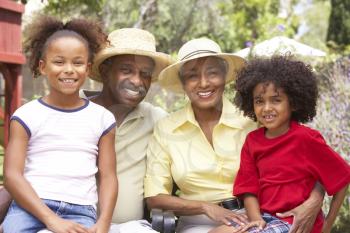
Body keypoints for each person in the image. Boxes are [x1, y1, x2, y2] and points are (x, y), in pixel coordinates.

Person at [144, 38, 326, 233]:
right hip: (196, 225)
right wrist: (205, 207)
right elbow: (155, 198)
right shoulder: (166, 129)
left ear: (224, 76)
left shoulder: (254, 119)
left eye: (212, 73)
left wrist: (314, 201)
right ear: (183, 83)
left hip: (257, 216)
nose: (204, 83)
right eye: (192, 76)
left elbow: (317, 163)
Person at [2, 15, 118, 233]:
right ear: (43, 67)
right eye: (59, 62)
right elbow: (11, 176)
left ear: (88, 67)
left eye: (77, 62)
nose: (69, 69)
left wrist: (103, 223)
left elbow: (108, 176)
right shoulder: (26, 115)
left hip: (81, 211)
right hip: (30, 208)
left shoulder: (102, 119)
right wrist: (51, 219)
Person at [210, 55, 350, 233]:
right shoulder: (253, 141)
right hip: (265, 218)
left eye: (276, 100)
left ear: (293, 103)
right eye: (259, 101)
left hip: (294, 221)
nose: (267, 108)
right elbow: (248, 189)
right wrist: (257, 221)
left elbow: (343, 177)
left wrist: (327, 225)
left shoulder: (306, 139)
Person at [82, 28, 172, 232]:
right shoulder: (73, 108)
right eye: (126, 70)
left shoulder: (155, 118)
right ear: (105, 71)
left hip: (131, 226)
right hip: (73, 222)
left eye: (145, 74)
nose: (137, 81)